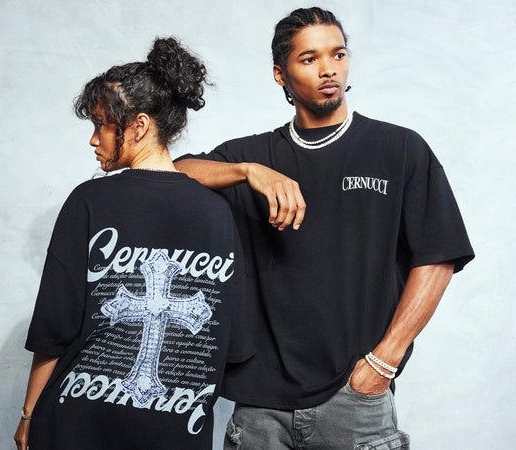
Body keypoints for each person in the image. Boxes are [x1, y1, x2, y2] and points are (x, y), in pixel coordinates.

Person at [173, 7, 475, 449]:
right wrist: (248, 171)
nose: (328, 69)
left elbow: (438, 257)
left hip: (355, 398)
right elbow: (173, 172)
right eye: (309, 58)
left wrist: (383, 362)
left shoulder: (399, 149)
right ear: (281, 74)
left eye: (338, 54)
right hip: (260, 405)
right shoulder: (254, 155)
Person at [13, 37, 254, 450]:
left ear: (138, 126)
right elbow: (230, 343)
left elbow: (54, 329)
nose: (94, 140)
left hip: (80, 428)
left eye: (101, 125)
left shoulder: (89, 201)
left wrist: (28, 415)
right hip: (177, 432)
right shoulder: (219, 214)